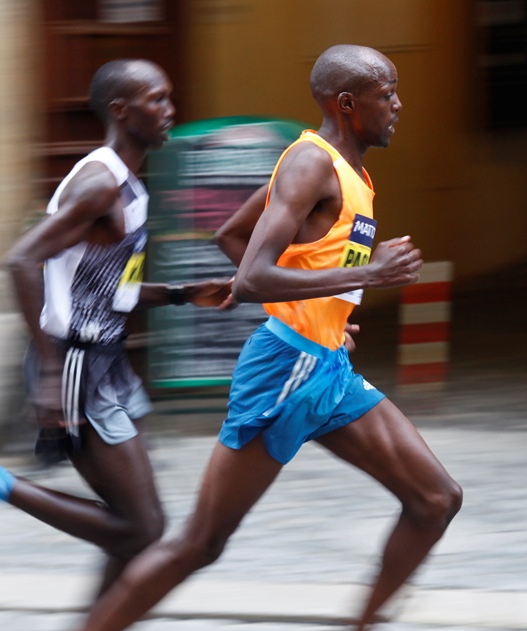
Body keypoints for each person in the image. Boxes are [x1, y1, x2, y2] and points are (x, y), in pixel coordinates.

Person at [78, 44, 463, 631]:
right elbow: (251, 273)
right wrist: (367, 275)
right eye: (387, 93)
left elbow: (233, 234)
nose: (398, 104)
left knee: (436, 499)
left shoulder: (347, 168)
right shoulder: (310, 164)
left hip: (326, 368)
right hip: (285, 371)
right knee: (202, 543)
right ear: (346, 103)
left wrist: (326, 313)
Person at [0, 59, 232, 601]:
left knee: (133, 531)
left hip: (108, 359)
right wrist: (50, 368)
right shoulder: (99, 184)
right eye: (157, 100)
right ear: (120, 111)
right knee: (142, 528)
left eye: (169, 97)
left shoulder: (128, 184)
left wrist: (181, 294)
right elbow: (21, 261)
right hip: (75, 363)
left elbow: (112, 290)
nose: (170, 109)